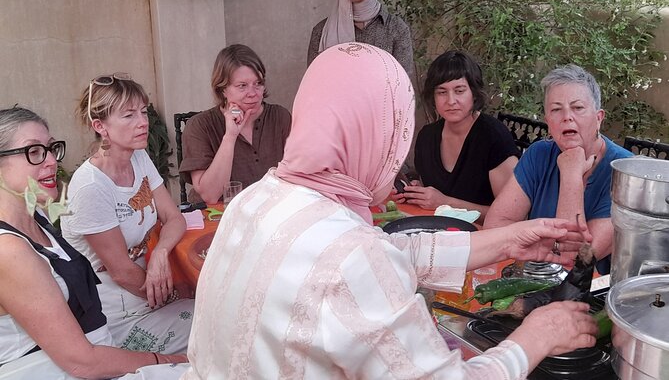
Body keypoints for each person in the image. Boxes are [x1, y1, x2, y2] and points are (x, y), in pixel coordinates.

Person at [181, 43, 597, 380]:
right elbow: (361, 266)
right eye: (396, 127)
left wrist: (508, 239)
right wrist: (534, 339)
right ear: (372, 133)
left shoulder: (258, 198)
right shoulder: (351, 257)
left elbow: (380, 256)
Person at [0, 107, 187, 379]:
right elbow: (82, 362)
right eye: (34, 152)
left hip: (99, 352)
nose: (51, 160)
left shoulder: (36, 215)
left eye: (51, 149)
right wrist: (169, 361)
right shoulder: (9, 250)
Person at [60, 74, 194, 354]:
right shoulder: (91, 186)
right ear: (100, 126)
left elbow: (174, 218)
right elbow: (121, 272)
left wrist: (160, 254)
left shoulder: (138, 157)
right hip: (117, 316)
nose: (143, 122)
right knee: (218, 324)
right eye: (128, 115)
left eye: (143, 112)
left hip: (147, 294)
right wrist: (172, 294)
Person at [485, 64, 633, 273]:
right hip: (532, 279)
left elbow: (574, 260)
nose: (567, 116)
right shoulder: (539, 154)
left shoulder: (624, 172)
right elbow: (495, 227)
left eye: (578, 107)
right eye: (556, 109)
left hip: (591, 297)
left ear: (598, 118)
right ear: (548, 122)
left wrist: (571, 172)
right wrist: (547, 246)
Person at [398, 51, 520, 220]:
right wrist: (416, 192)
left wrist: (445, 203)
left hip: (485, 237)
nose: (451, 101)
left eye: (459, 90)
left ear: (474, 93)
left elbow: (512, 215)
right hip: (438, 234)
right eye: (442, 92)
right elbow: (432, 191)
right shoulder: (427, 137)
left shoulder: (493, 137)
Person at [179, 44, 292, 204]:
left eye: (258, 83)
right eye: (242, 86)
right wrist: (230, 136)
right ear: (222, 89)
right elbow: (210, 195)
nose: (253, 93)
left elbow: (297, 175)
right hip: (219, 218)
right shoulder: (200, 126)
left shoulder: (280, 117)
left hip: (269, 212)